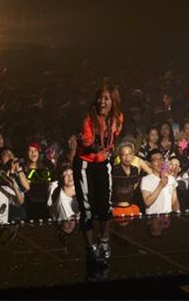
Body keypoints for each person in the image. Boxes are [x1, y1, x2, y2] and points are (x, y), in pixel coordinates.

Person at [74, 84, 123, 260]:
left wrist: (107, 149)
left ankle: (104, 240)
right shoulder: (89, 118)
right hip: (85, 165)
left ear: (113, 102)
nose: (102, 102)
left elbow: (113, 139)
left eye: (106, 98)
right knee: (86, 208)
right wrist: (85, 141)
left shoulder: (117, 118)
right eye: (100, 98)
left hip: (103, 163)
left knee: (105, 205)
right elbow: (87, 143)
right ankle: (90, 246)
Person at [140, 149, 180, 215]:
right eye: (155, 160)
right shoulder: (146, 179)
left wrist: (178, 213)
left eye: (161, 159)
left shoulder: (171, 179)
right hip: (153, 218)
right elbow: (147, 203)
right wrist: (160, 185)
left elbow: (175, 201)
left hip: (168, 218)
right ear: (150, 164)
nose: (160, 162)